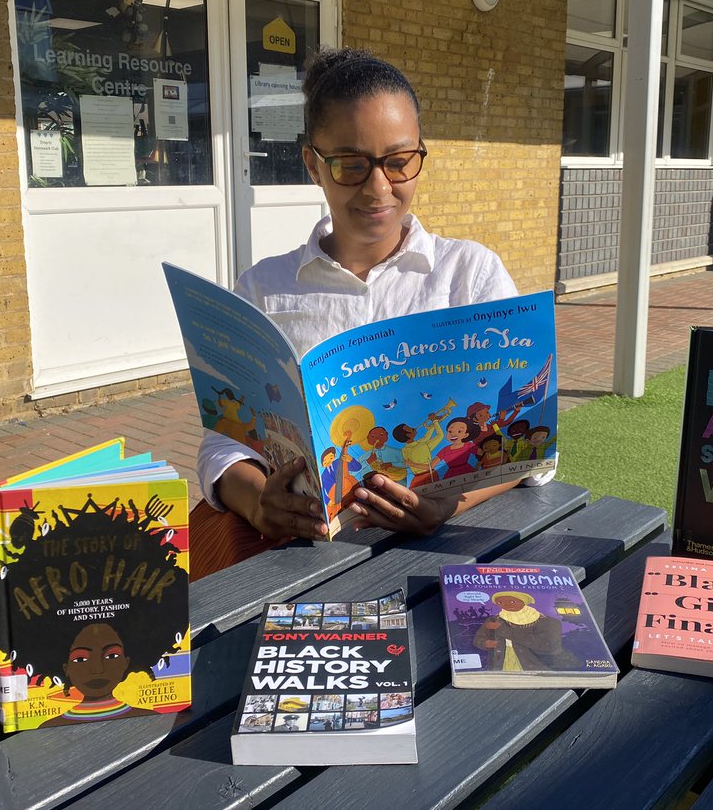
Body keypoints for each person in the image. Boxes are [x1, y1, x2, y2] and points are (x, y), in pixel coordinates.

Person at [192, 46, 541, 579]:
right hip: (300, 562)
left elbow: (526, 436)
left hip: (437, 560)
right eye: (351, 165)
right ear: (313, 163)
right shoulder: (265, 287)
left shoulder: (470, 274)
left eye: (399, 161)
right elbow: (224, 440)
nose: (379, 188)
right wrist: (259, 501)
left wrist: (450, 504)